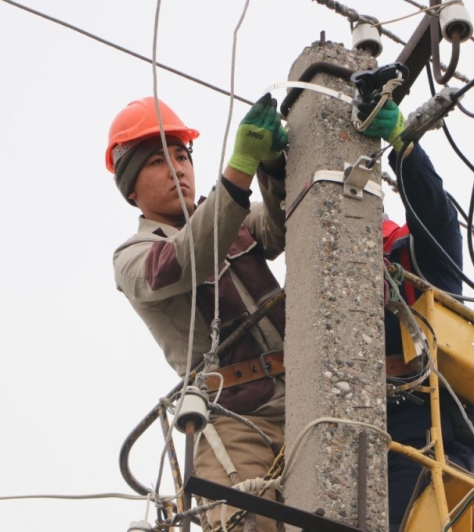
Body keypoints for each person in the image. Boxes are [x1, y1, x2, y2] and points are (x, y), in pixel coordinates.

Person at [109, 94, 289, 532]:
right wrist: (241, 166)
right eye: (156, 162)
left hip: (304, 395)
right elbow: (186, 259)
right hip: (236, 420)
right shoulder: (133, 257)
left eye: (182, 155)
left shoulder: (235, 221)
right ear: (132, 188)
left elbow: (285, 223)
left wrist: (275, 166)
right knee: (249, 519)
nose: (177, 169)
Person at [354, 98, 474, 532]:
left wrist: (404, 147)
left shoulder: (412, 253)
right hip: (358, 434)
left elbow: (436, 216)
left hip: (427, 430)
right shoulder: (324, 285)